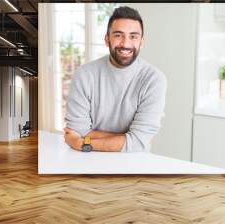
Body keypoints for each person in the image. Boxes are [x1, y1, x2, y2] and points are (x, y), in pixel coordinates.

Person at [64, 6, 166, 153]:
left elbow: (138, 141)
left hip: (133, 164)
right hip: (87, 161)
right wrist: (130, 140)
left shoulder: (154, 79)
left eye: (133, 36)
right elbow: (77, 130)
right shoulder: (84, 75)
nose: (125, 43)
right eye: (118, 35)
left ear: (141, 42)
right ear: (107, 39)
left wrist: (82, 143)